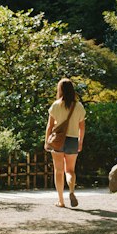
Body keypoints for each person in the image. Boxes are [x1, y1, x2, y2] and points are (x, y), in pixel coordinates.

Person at [45, 77, 86, 208]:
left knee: (58, 170)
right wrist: (80, 141)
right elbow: (82, 127)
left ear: (60, 90)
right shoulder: (79, 106)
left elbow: (49, 126)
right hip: (73, 140)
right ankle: (72, 191)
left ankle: (61, 201)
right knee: (70, 170)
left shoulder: (56, 105)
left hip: (58, 140)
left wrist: (47, 141)